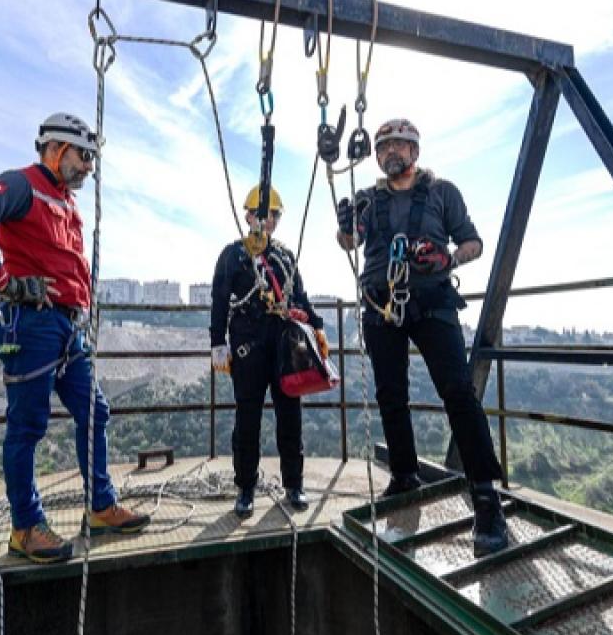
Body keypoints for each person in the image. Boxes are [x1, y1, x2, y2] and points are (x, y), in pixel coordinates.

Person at [0, 112, 149, 564]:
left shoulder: (64, 201)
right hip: (32, 324)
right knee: (28, 426)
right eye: (83, 157)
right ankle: (25, 528)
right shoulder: (20, 185)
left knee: (94, 411)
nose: (89, 168)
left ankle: (99, 506)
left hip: (67, 327)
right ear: (57, 149)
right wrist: (4, 281)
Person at [334, 118, 508, 554]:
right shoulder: (368, 201)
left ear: (415, 151)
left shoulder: (442, 192)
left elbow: (474, 243)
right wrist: (343, 224)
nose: (392, 152)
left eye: (400, 145)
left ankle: (486, 497)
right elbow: (349, 242)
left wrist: (446, 259)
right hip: (381, 304)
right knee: (391, 393)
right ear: (377, 156)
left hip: (432, 301)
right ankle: (404, 473)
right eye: (384, 147)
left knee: (458, 392)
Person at [210, 185, 328, 518]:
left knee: (290, 415)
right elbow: (220, 299)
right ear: (247, 216)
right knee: (247, 418)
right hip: (249, 347)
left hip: (282, 347)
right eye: (260, 214)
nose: (266, 220)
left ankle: (294, 483)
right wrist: (217, 342)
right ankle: (245, 486)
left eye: (272, 215)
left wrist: (317, 326)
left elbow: (299, 297)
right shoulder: (233, 255)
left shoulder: (284, 256)